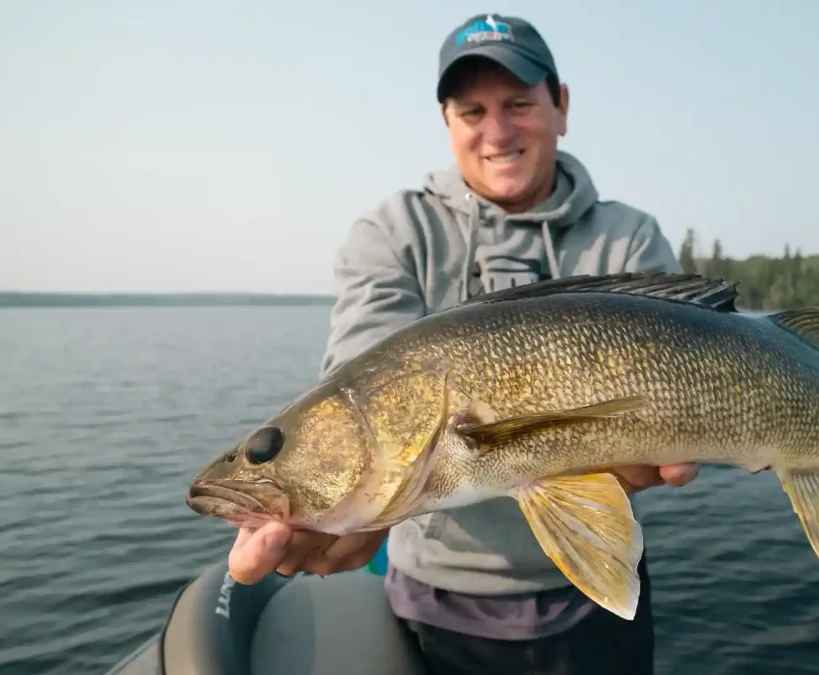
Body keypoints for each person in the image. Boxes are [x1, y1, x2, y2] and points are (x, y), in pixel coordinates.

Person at [228, 12, 699, 674]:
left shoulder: (630, 237)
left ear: (561, 106)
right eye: (472, 110)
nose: (497, 131)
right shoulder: (394, 232)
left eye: (518, 104)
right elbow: (362, 379)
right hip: (437, 603)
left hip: (597, 600)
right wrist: (346, 502)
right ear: (446, 122)